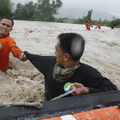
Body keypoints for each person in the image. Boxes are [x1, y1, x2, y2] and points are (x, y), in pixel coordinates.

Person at [24, 33, 118, 100]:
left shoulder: (88, 73)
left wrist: (86, 91)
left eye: (56, 50)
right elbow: (35, 58)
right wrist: (26, 55)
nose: (54, 53)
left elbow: (113, 91)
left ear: (66, 57)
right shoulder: (49, 63)